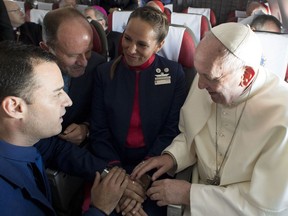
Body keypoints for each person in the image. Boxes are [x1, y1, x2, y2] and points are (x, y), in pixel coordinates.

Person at [131, 22, 288, 215]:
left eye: (210, 78)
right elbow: (191, 134)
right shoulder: (207, 78)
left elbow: (265, 207)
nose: (200, 86)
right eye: (199, 74)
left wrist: (190, 194)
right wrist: (172, 157)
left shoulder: (283, 116)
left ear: (246, 76)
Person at [0, 41, 129, 216]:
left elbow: (57, 149)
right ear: (15, 107)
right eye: (57, 93)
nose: (68, 101)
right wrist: (100, 209)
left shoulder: (21, 138)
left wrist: (109, 175)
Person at [89, 6, 187, 215]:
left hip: (155, 166)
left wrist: (144, 176)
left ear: (159, 45)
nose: (131, 49)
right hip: (111, 163)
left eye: (142, 44)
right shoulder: (104, 74)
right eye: (127, 38)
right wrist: (120, 178)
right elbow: (99, 132)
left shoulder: (174, 74)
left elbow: (172, 130)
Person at [40, 7, 106, 146]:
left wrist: (86, 127)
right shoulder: (26, 73)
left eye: (88, 51)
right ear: (46, 49)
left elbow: (102, 111)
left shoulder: (97, 66)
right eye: (72, 55)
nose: (84, 62)